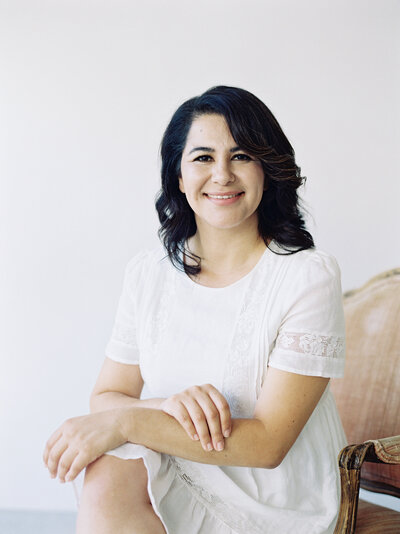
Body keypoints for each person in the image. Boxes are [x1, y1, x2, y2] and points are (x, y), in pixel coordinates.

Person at [43, 85, 347, 534]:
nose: (222, 174)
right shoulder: (148, 273)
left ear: (267, 171)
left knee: (117, 446)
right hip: (180, 464)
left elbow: (269, 444)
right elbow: (107, 395)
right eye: (203, 157)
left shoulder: (307, 276)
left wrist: (129, 420)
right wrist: (165, 406)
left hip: (273, 494)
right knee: (110, 465)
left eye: (241, 156)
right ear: (179, 178)